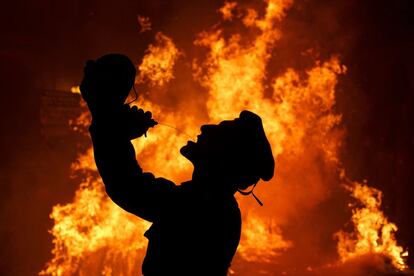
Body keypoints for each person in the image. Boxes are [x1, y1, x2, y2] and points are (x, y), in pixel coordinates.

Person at [80, 53, 275, 276]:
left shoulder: (206, 208)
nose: (205, 128)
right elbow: (130, 185)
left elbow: (128, 187)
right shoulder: (210, 203)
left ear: (224, 158)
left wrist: (105, 121)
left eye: (219, 131)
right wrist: (112, 128)